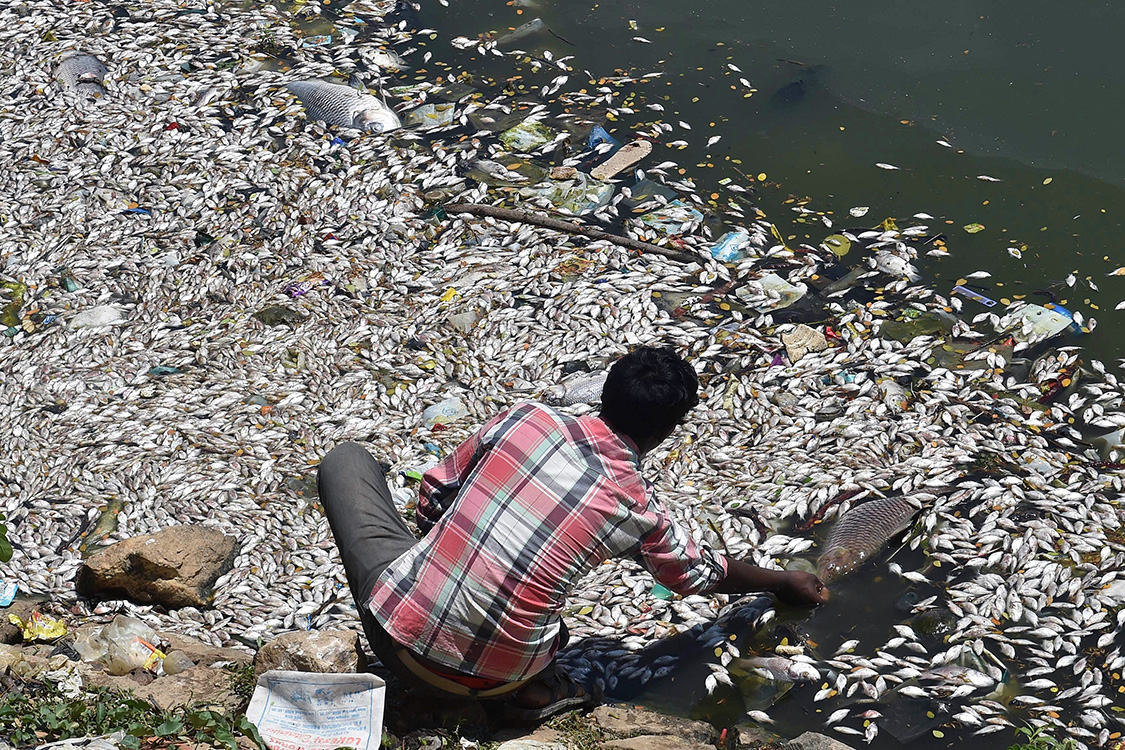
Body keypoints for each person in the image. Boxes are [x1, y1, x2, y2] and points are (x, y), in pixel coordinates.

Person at [318, 346, 828, 721]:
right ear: (668, 430)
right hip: (494, 681)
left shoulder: (525, 418)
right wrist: (781, 581)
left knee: (347, 461)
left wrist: (444, 552)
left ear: (605, 393)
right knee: (548, 625)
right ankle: (535, 689)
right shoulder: (636, 507)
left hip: (392, 639)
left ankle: (465, 646)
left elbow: (434, 489)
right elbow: (695, 574)